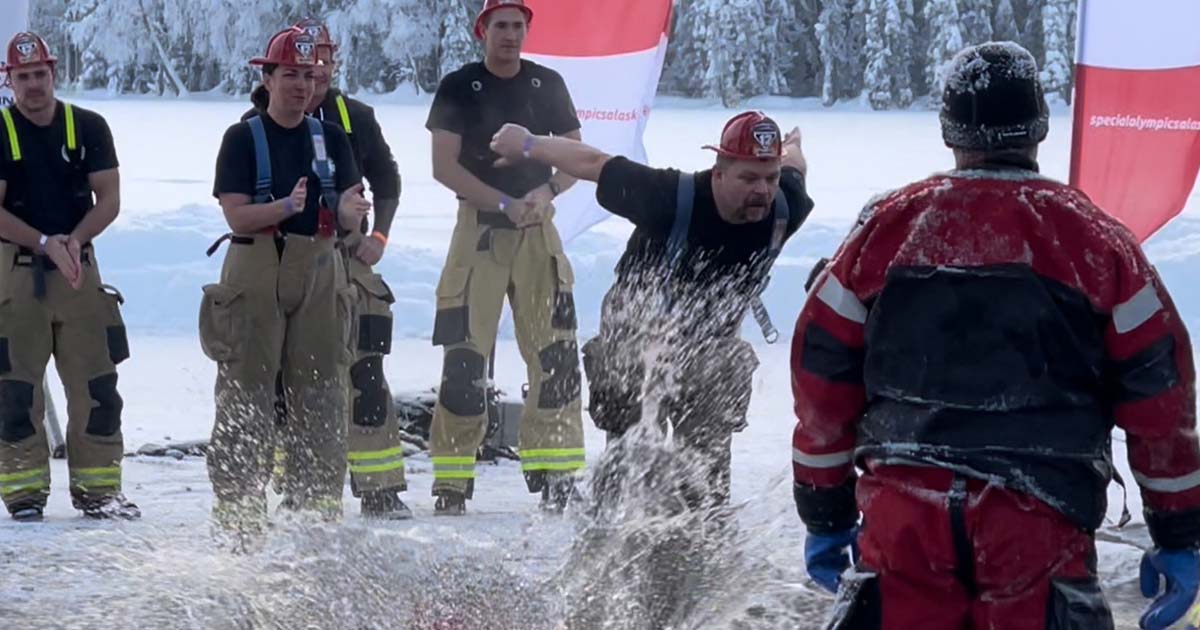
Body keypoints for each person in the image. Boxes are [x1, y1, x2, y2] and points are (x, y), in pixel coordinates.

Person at [790, 42, 1200, 630]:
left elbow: (820, 373)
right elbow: (1160, 392)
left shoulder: (884, 231)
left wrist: (825, 512)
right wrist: (1179, 532)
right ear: (1039, 127)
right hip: (1039, 523)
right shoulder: (1096, 242)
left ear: (948, 130)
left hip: (903, 521)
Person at [491, 110, 814, 509]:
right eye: (748, 178)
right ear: (718, 173)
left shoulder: (786, 207)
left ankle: (700, 532)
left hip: (709, 345)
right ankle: (615, 519)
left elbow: (795, 163)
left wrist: (793, 143)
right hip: (636, 330)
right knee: (630, 461)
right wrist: (527, 142)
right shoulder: (668, 196)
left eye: (769, 178)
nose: (762, 191)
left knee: (704, 466)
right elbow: (593, 163)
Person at [202, 26, 370, 548]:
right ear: (267, 79)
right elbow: (236, 214)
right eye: (290, 75)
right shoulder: (242, 137)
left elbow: (348, 211)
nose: (301, 85)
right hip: (257, 264)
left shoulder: (332, 138)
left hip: (320, 266)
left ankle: (315, 510)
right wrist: (283, 208)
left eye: (309, 75)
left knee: (322, 388)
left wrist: (349, 215)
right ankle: (238, 512)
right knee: (246, 389)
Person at [242, 18, 409, 520]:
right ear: (275, 76)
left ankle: (380, 484)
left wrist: (378, 237)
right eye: (298, 69)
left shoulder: (355, 118)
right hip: (285, 262)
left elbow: (388, 179)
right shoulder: (257, 123)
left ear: (331, 67)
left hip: (348, 259)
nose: (310, 78)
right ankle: (293, 480)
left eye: (321, 65)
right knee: (285, 378)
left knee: (366, 363)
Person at [424, 0, 586, 516]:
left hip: (538, 234)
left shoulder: (547, 84)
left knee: (556, 357)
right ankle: (452, 481)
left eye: (519, 26)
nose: (510, 35)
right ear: (483, 31)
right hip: (480, 235)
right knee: (465, 359)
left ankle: (556, 474)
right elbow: (442, 167)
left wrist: (548, 191)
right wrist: (502, 201)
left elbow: (576, 155)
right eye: (501, 26)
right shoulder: (459, 85)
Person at [0, 32, 138, 521]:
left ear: (53, 74)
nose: (34, 85)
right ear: (9, 80)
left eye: (41, 74)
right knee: (16, 390)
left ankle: (100, 492)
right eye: (23, 77)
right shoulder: (1, 130)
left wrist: (74, 241)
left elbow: (111, 198)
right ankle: (24, 495)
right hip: (17, 274)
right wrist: (43, 243)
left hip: (79, 269)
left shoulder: (89, 127)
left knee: (97, 385)